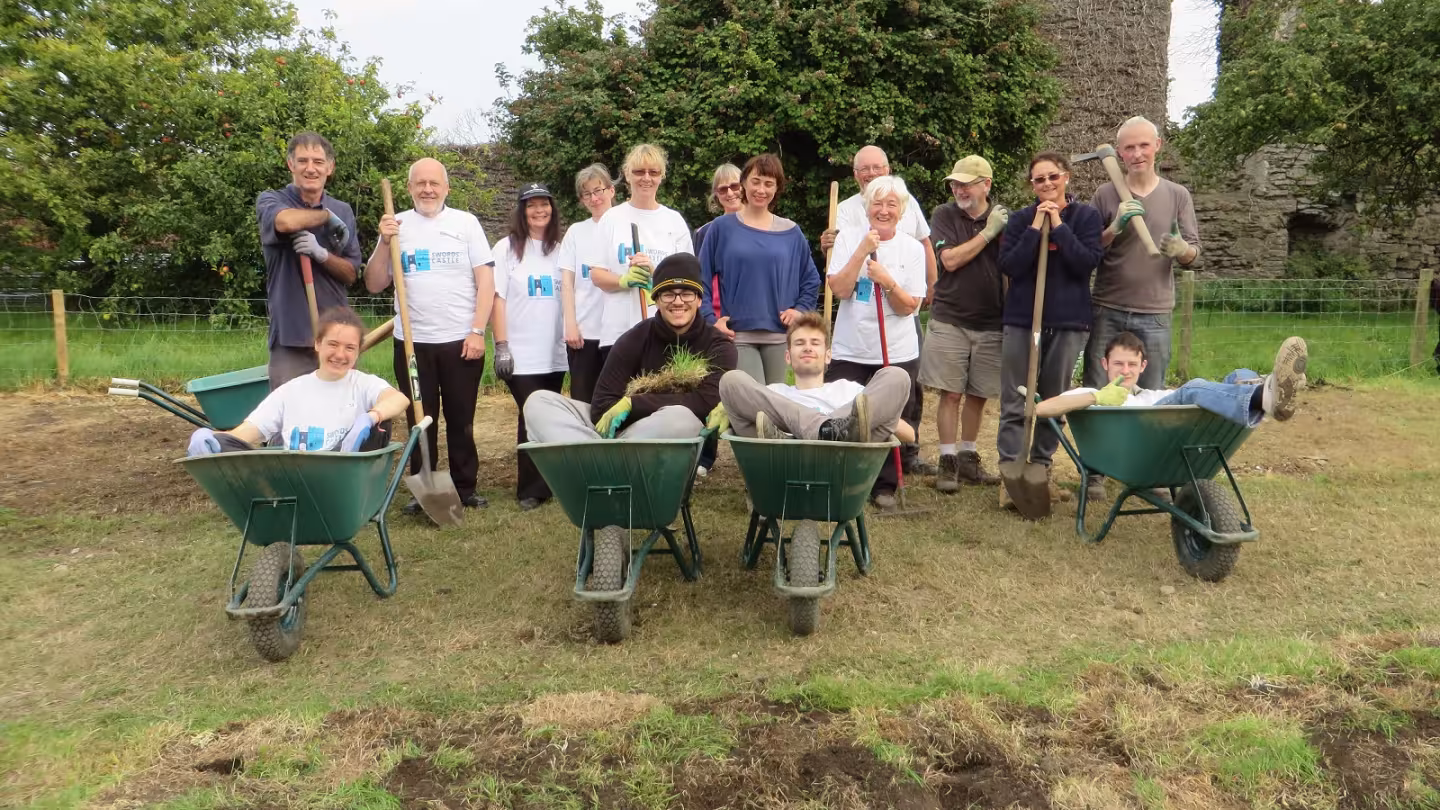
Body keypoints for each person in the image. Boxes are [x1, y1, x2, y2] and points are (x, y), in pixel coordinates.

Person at [364, 157, 495, 513]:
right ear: (409, 188)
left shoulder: (466, 224)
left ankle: (464, 487)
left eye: (434, 183)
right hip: (412, 343)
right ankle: (424, 489)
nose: (427, 189)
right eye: (420, 183)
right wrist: (382, 241)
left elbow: (486, 282)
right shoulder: (397, 226)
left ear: (446, 188)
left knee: (461, 418)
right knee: (420, 418)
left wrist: (477, 331)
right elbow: (375, 282)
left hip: (460, 341)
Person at [523, 254, 738, 443]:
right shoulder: (635, 338)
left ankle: (596, 458)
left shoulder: (718, 345)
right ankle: (601, 455)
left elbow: (706, 401)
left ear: (700, 300)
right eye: (668, 294)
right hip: (617, 432)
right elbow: (600, 407)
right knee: (538, 403)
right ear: (656, 300)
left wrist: (634, 404)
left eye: (687, 293)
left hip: (665, 430)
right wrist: (623, 415)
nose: (678, 301)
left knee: (681, 418)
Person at [820, 144, 938, 475]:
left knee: (891, 412)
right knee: (842, 406)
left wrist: (887, 281)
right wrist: (862, 251)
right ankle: (845, 472)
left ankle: (888, 479)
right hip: (851, 345)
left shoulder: (911, 248)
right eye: (877, 204)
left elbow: (907, 307)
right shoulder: (849, 238)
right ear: (866, 207)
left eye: (890, 205)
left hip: (896, 348)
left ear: (901, 211)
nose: (883, 210)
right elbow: (841, 288)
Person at [996, 151, 1105, 508]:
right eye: (1039, 180)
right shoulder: (1020, 219)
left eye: (1052, 177)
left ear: (1067, 177)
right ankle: (1010, 472)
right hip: (1022, 321)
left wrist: (1058, 225)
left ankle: (1041, 468)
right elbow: (1011, 265)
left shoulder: (1086, 217)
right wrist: (1034, 230)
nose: (1046, 185)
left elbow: (1085, 262)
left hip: (1068, 320)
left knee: (1052, 400)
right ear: (1031, 185)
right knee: (1016, 397)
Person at [186, 307, 409, 455]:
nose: (340, 355)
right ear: (317, 344)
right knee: (220, 445)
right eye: (332, 344)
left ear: (358, 351)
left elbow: (398, 399)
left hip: (345, 482)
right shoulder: (291, 391)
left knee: (381, 424)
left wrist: (371, 417)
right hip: (293, 478)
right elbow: (248, 432)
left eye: (349, 348)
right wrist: (214, 439)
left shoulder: (363, 384)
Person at [1034, 332, 1308, 450]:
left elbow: (1173, 398)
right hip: (1145, 445)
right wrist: (1097, 397)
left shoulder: (1151, 394)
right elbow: (1040, 409)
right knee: (1193, 389)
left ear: (1143, 366)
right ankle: (1269, 396)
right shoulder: (1091, 392)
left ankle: (1268, 392)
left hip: (1173, 437)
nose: (1125, 371)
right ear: (1105, 364)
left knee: (1238, 376)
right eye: (1118, 364)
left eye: (1132, 364)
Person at [1085, 116, 1200, 391]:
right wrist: (1114, 228)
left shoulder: (1178, 195)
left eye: (1144, 145)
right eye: (1129, 147)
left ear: (1157, 145)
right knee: (1099, 390)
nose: (1137, 154)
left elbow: (1195, 254)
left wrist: (1182, 249)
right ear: (1120, 152)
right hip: (1107, 308)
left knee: (1150, 394)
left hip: (1155, 313)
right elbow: (1088, 250)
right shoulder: (1104, 194)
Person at [919, 155, 1008, 492]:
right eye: (955, 183)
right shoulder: (945, 215)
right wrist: (989, 233)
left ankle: (969, 458)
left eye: (966, 183)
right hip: (951, 318)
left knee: (979, 394)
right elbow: (950, 260)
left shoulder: (1003, 219)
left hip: (992, 321)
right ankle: (947, 461)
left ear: (986, 184)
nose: (958, 189)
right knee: (951, 393)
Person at [255, 132, 363, 390]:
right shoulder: (272, 200)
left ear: (330, 167)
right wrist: (325, 217)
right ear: (290, 164)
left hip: (336, 336)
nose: (311, 168)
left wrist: (322, 255)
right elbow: (286, 222)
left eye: (318, 161)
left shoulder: (344, 210)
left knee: (340, 414)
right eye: (303, 161)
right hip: (291, 336)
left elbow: (350, 274)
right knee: (290, 418)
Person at [700, 153, 820, 384]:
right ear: (744, 182)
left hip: (781, 337)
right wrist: (710, 319)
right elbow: (700, 278)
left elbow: (811, 279)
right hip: (738, 335)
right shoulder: (721, 228)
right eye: (756, 181)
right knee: (755, 405)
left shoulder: (791, 232)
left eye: (769, 184)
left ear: (777, 188)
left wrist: (801, 310)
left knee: (778, 405)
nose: (761, 190)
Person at [715, 310, 915, 445]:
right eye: (800, 343)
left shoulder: (849, 390)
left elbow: (909, 435)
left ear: (828, 356)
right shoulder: (774, 393)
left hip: (844, 458)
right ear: (788, 356)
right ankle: (825, 430)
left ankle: (831, 430)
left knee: (897, 375)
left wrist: (874, 415)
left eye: (815, 343)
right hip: (785, 460)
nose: (808, 347)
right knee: (731, 380)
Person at [492, 183, 568, 511]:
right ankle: (531, 490)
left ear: (552, 209)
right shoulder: (506, 248)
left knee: (548, 416)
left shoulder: (562, 248)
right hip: (521, 354)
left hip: (556, 352)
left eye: (544, 205)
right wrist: (502, 346)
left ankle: (553, 481)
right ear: (522, 211)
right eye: (531, 205)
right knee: (530, 414)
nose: (539, 211)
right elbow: (497, 299)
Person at [585, 143, 694, 355]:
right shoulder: (611, 219)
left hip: (665, 331)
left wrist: (656, 274)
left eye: (653, 172)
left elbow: (688, 279)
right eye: (639, 171)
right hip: (619, 333)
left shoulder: (674, 221)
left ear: (661, 176)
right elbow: (597, 275)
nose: (646, 178)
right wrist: (623, 280)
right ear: (627, 175)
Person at [689, 162, 743, 476]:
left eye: (735, 185)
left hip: (748, 322)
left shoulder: (762, 226)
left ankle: (754, 454)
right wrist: (709, 318)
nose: (730, 193)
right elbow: (700, 279)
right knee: (710, 387)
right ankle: (705, 456)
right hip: (714, 321)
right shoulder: (704, 233)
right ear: (715, 195)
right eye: (723, 188)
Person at [558, 163, 617, 405]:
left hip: (619, 333)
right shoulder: (576, 232)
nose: (594, 198)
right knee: (584, 402)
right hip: (585, 333)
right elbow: (567, 283)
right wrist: (570, 325)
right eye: (587, 194)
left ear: (611, 190)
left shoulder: (625, 226)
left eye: (598, 190)